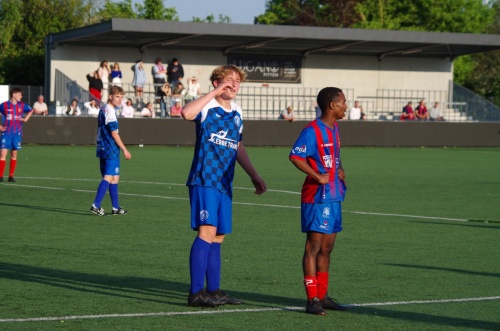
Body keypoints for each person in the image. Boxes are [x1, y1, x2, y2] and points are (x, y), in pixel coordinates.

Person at [181, 64, 267, 308]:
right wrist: (214, 92)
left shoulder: (237, 112)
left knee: (218, 236)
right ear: (217, 82)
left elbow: (237, 146)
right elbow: (186, 113)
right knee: (206, 232)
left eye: (237, 81)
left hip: (224, 182)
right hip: (205, 179)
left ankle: (214, 290)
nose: (234, 84)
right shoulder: (208, 106)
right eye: (228, 79)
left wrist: (254, 174)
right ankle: (196, 293)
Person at [289, 87, 348, 316]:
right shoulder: (313, 130)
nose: (346, 106)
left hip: (334, 195)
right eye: (343, 102)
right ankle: (311, 298)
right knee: (313, 247)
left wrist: (341, 169)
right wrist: (316, 176)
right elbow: (295, 155)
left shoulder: (335, 128)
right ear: (332, 105)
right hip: (317, 197)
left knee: (328, 247)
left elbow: (335, 156)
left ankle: (323, 296)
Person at [90, 85, 131, 216]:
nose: (120, 99)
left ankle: (115, 207)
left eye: (121, 97)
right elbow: (114, 133)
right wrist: (125, 149)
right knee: (108, 177)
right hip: (110, 149)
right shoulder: (111, 112)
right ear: (111, 97)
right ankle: (96, 205)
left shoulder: (103, 109)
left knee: (115, 177)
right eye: (117, 97)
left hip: (102, 147)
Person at [0, 87, 33, 182]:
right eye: (19, 94)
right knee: (2, 153)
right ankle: (0, 176)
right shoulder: (4, 105)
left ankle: (11, 176)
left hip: (17, 133)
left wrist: (26, 119)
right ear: (14, 94)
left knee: (14, 154)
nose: (21, 96)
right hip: (6, 132)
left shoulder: (22, 105)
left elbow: (31, 110)